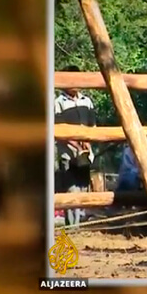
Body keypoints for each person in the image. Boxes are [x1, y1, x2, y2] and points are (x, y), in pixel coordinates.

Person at [54, 65, 96, 227]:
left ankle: (80, 223)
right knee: (71, 190)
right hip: (68, 153)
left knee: (83, 187)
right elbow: (58, 128)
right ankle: (73, 227)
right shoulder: (58, 103)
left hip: (86, 153)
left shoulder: (87, 101)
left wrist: (88, 141)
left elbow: (92, 125)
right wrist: (76, 143)